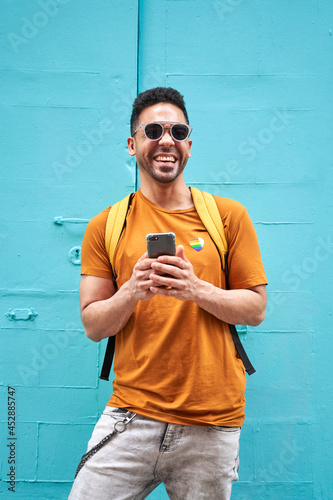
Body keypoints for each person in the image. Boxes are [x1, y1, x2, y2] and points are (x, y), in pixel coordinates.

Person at [69, 87, 267, 500]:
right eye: (153, 130)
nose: (166, 140)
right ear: (132, 144)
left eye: (177, 131)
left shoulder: (228, 217)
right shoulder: (105, 226)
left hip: (211, 424)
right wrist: (132, 291)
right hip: (131, 415)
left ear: (189, 146)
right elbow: (92, 325)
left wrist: (196, 289)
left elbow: (255, 309)